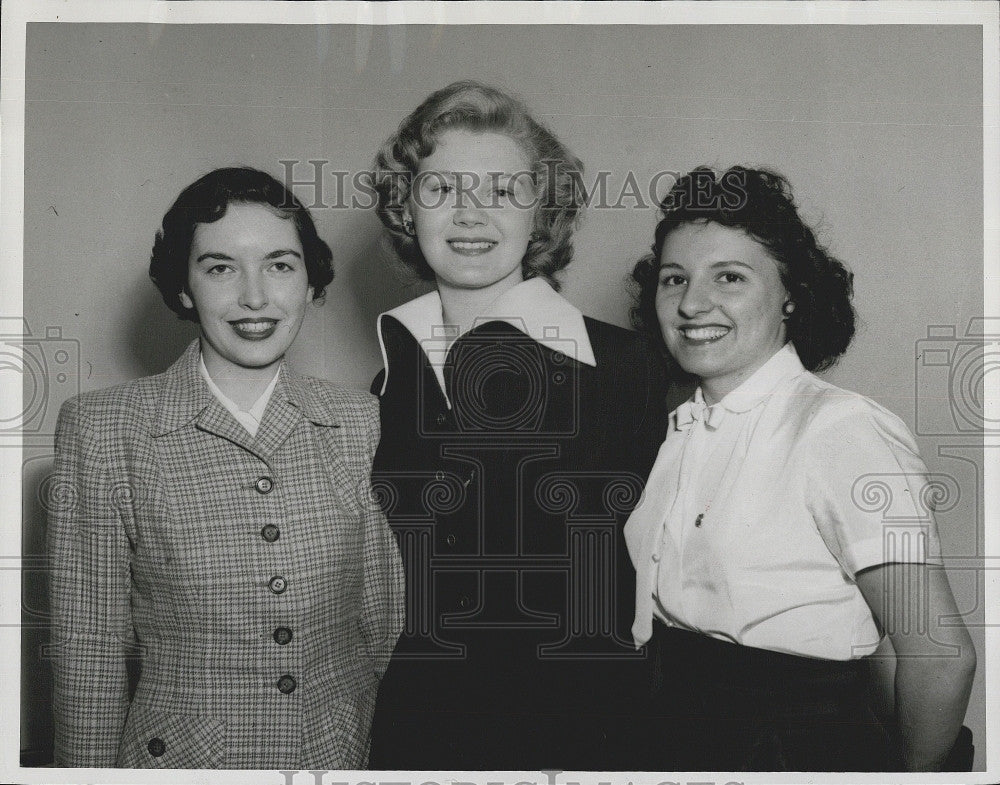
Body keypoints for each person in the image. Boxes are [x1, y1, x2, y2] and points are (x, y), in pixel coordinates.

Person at [48, 167, 405, 769]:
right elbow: (90, 651)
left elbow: (384, 625)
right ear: (184, 288)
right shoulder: (105, 429)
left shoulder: (363, 422)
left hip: (340, 756)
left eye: (280, 264)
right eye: (220, 267)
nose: (255, 297)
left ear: (311, 282)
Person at [367, 81, 675, 769]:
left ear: (541, 211)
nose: (471, 213)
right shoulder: (389, 378)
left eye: (502, 191)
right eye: (442, 188)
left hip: (581, 741)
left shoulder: (624, 367)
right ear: (406, 206)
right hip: (415, 739)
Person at [626, 165, 976, 771]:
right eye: (673, 278)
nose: (691, 303)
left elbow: (940, 656)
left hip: (790, 754)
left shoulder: (842, 430)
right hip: (674, 737)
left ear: (791, 294)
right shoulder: (674, 429)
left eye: (729, 277)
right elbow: (859, 630)